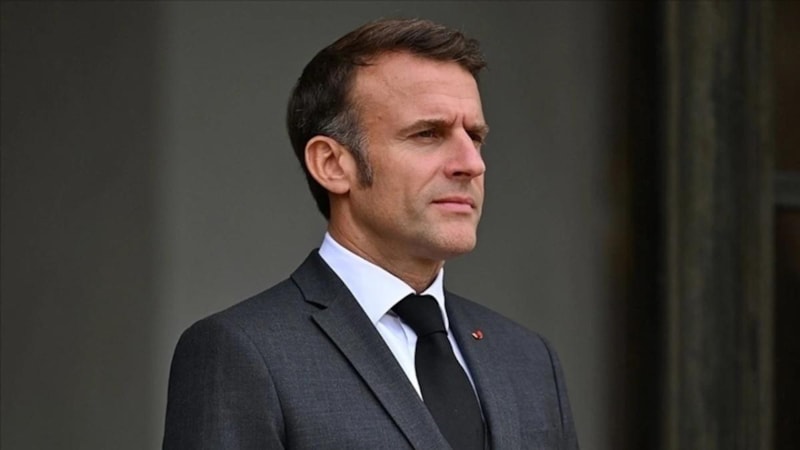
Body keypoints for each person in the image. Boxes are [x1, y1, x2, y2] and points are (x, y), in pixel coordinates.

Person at [163, 18, 579, 450]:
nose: (471, 164)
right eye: (428, 134)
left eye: (474, 136)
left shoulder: (529, 359)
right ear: (332, 164)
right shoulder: (243, 352)